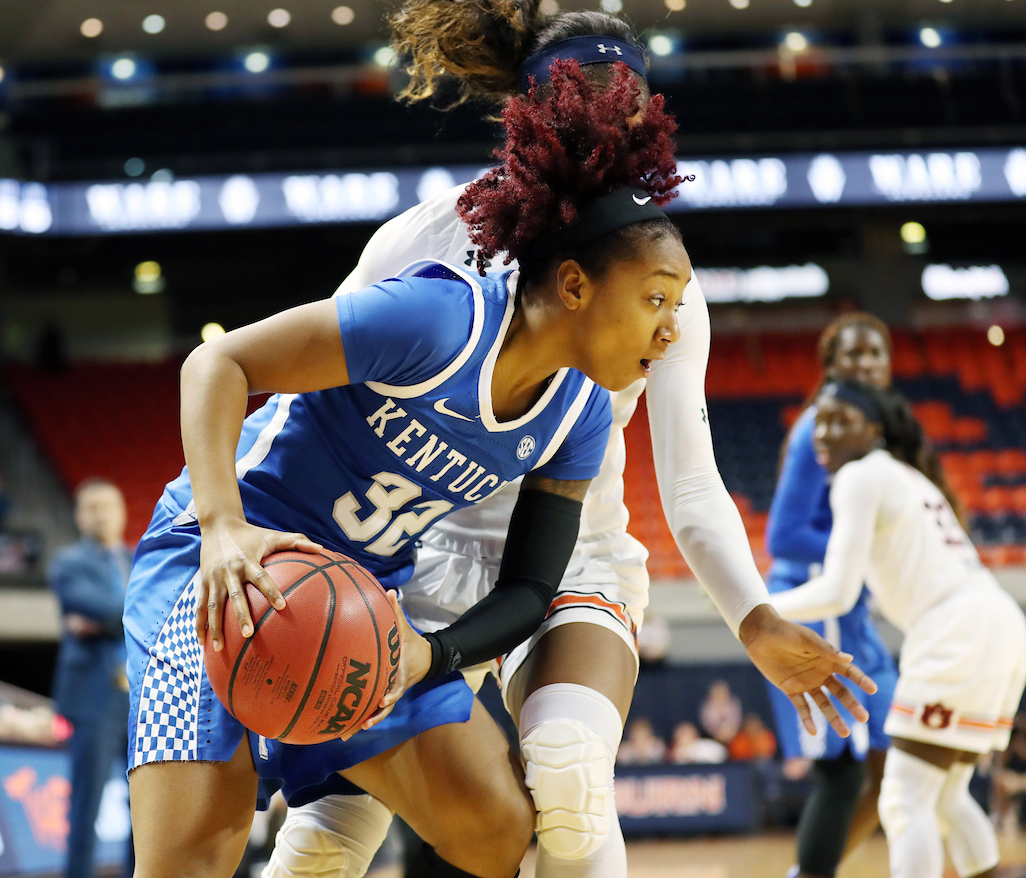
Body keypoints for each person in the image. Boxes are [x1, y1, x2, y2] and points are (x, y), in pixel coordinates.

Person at [264, 5, 877, 878]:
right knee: (324, 845)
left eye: (625, 102)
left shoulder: (664, 278)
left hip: (570, 549)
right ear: (529, 108)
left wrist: (754, 620)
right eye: (582, 98)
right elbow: (319, 398)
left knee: (571, 776)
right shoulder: (424, 240)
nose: (606, 119)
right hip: (416, 550)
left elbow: (693, 486)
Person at [128, 57, 696, 878]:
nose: (671, 331)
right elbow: (216, 366)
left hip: (357, 598)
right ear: (574, 285)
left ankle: (333, 789)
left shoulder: (577, 418)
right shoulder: (440, 319)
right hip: (223, 566)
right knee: (191, 865)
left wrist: (432, 655)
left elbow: (530, 592)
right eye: (655, 300)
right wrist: (222, 527)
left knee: (495, 831)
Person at [769, 379, 1026, 878]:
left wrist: (758, 609)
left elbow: (838, 591)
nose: (823, 433)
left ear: (874, 429)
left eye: (840, 420)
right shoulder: (907, 476)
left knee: (905, 800)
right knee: (946, 797)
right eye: (818, 420)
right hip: (1000, 622)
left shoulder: (860, 477)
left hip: (958, 628)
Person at [764, 313, 901, 878]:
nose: (866, 364)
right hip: (815, 599)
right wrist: (863, 544)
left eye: (876, 354)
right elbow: (784, 535)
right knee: (843, 770)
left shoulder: (873, 426)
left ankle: (820, 866)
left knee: (894, 759)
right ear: (830, 368)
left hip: (851, 607)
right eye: (854, 355)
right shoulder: (816, 426)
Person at [49, 478, 134, 878]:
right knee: (86, 804)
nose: (102, 515)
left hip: (138, 697)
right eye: (93, 507)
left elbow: (153, 610)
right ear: (80, 516)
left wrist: (103, 621)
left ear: (123, 512)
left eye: (109, 506)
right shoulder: (67, 562)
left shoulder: (138, 559)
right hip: (93, 699)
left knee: (147, 804)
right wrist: (127, 616)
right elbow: (123, 608)